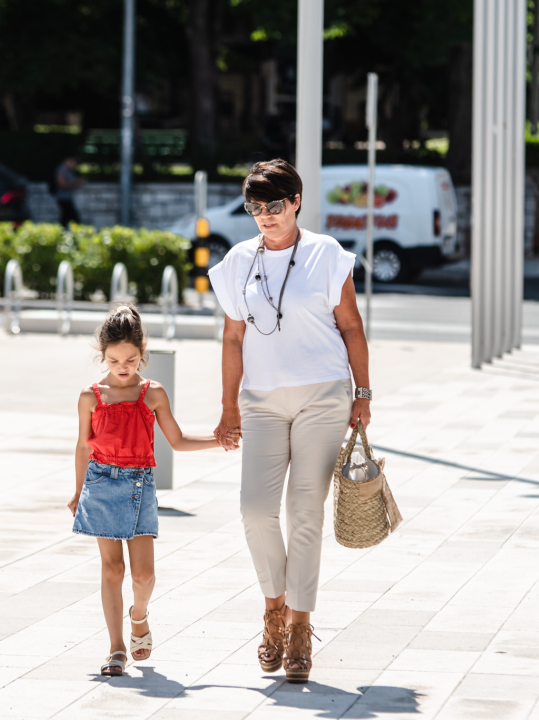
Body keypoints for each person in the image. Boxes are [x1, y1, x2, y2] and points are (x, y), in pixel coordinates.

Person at [208, 159, 371, 685]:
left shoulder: (325, 255)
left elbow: (351, 326)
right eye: (255, 208)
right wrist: (229, 407)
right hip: (259, 402)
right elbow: (233, 339)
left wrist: (362, 393)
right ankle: (273, 609)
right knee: (255, 510)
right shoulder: (237, 261)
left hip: (323, 397)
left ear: (296, 201)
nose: (264, 216)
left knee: (305, 510)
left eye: (274, 206)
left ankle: (299, 627)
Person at [70, 305, 237, 677]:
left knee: (143, 576)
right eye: (114, 360)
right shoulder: (90, 396)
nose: (123, 366)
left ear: (143, 352)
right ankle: (116, 649)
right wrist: (78, 491)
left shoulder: (153, 393)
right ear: (103, 356)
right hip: (99, 483)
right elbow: (83, 447)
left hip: (139, 486)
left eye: (130, 358)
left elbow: (176, 441)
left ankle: (138, 616)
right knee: (112, 569)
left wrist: (218, 439)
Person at [55, 155, 84, 226]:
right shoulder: (62, 169)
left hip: (67, 198)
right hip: (63, 198)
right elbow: (62, 184)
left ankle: (61, 232)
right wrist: (75, 182)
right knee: (73, 218)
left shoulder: (68, 170)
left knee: (66, 218)